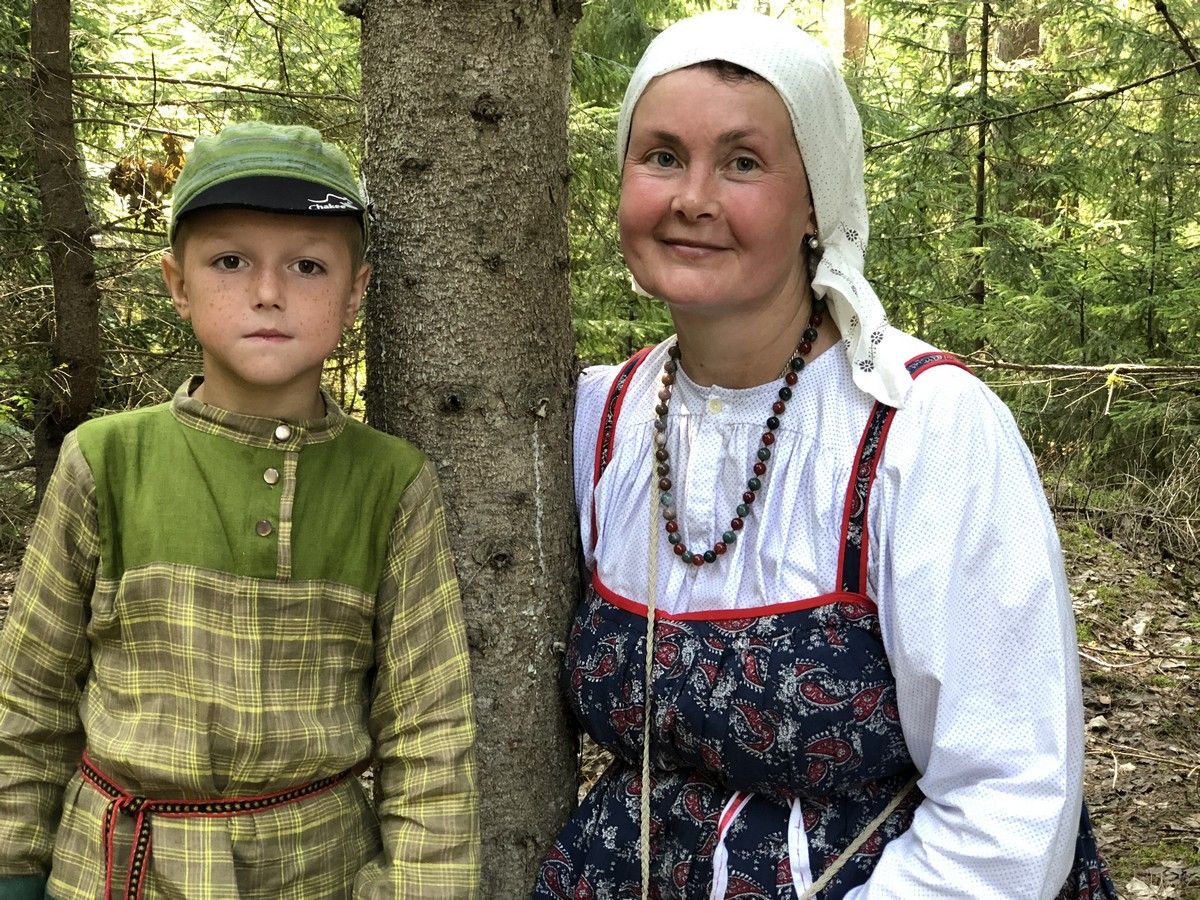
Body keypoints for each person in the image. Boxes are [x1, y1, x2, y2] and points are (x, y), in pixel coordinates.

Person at [535, 10, 1117, 900]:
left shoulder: (922, 429)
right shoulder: (597, 420)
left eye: (743, 162)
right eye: (661, 156)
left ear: (817, 200)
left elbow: (1010, 800)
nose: (692, 198)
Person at [0, 121, 479, 899]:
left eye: (307, 265)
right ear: (177, 283)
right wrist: (13, 870)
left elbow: (430, 732)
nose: (267, 292)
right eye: (230, 261)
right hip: (114, 870)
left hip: (316, 873)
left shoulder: (390, 483)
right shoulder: (105, 461)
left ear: (355, 291)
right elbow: (29, 699)